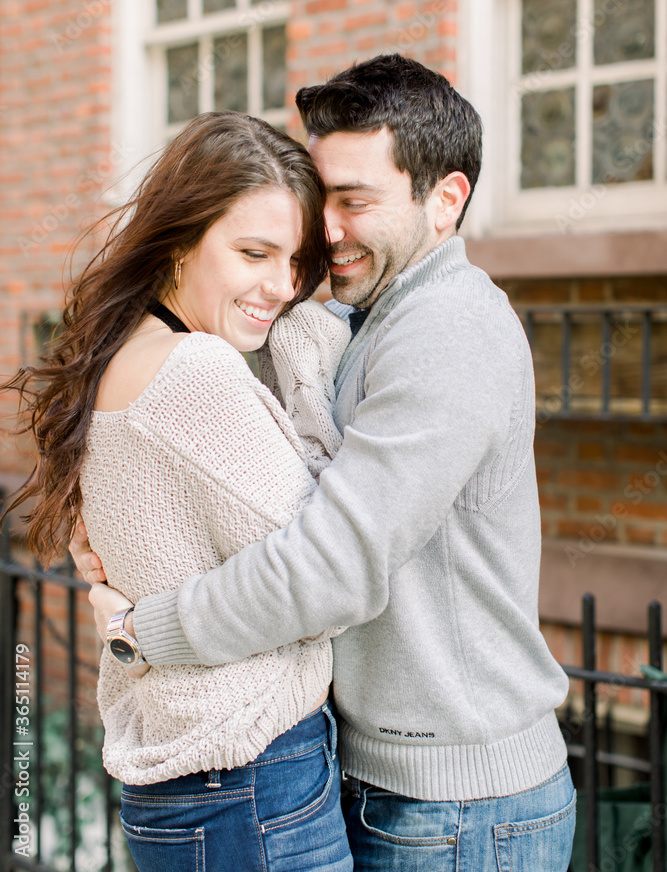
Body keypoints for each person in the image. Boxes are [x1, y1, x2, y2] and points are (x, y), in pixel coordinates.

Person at [72, 54, 576, 871]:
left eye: (354, 201)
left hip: (455, 808)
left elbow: (331, 568)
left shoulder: (446, 331)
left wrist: (142, 630)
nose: (327, 229)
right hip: (383, 780)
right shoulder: (357, 316)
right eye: (321, 198)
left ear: (444, 201)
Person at [4, 111, 355, 872]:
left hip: (198, 780)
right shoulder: (194, 372)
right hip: (251, 777)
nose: (282, 287)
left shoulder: (127, 348)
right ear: (178, 240)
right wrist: (306, 350)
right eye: (253, 252)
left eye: (294, 259)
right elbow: (334, 570)